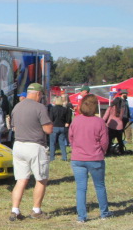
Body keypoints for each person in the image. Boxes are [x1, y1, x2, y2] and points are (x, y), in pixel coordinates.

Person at [8, 83, 53, 221]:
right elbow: (48, 130)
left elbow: (14, 127)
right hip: (35, 146)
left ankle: (15, 210)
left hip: (18, 145)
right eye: (41, 95)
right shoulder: (40, 107)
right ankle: (36, 210)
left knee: (21, 180)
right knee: (41, 179)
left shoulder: (17, 107)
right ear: (38, 94)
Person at [68, 94, 111, 223]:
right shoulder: (99, 122)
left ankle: (81, 217)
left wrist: (76, 149)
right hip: (95, 157)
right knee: (99, 186)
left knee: (81, 188)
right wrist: (102, 152)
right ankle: (104, 213)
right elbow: (104, 141)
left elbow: (71, 138)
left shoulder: (76, 121)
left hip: (78, 158)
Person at [48, 96, 71, 161]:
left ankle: (52, 157)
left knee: (52, 143)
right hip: (62, 127)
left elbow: (51, 118)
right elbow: (67, 118)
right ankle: (64, 157)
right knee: (62, 143)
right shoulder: (65, 109)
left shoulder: (52, 109)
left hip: (54, 127)